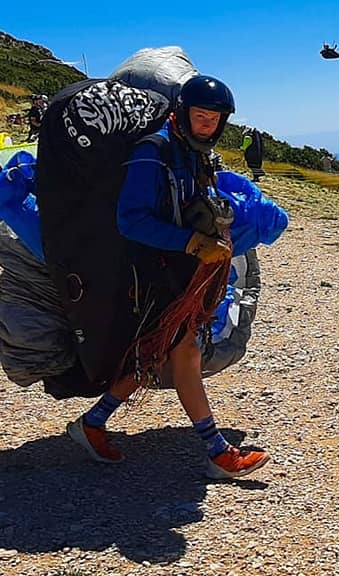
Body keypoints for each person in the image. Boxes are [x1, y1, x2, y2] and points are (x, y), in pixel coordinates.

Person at [66, 74, 271, 479]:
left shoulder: (194, 153)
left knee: (159, 354)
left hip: (179, 271)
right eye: (201, 116)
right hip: (153, 272)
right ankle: (217, 451)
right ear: (182, 113)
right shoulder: (153, 152)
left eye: (215, 119)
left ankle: (91, 424)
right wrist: (192, 242)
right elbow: (130, 219)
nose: (207, 125)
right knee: (185, 354)